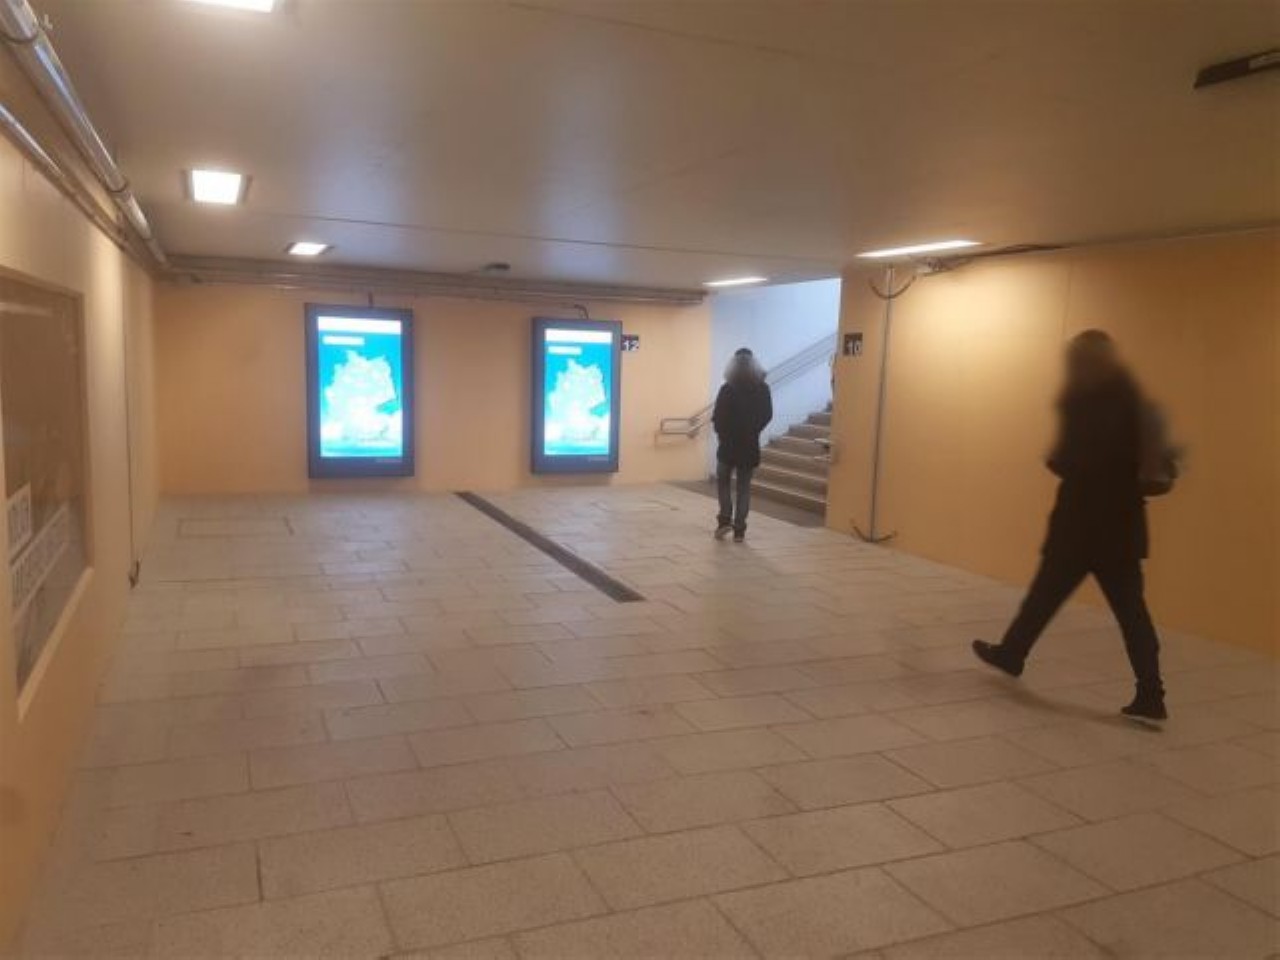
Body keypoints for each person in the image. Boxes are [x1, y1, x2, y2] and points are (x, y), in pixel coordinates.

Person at [972, 329, 1168, 722]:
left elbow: (1065, 461)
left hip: (1079, 526)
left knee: (1044, 597)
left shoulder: (1083, 402)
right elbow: (1151, 472)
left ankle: (1012, 654)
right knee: (1131, 614)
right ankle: (1151, 693)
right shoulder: (1134, 402)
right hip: (1121, 530)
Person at [712, 348, 772, 542]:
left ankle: (724, 521)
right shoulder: (762, 389)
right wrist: (753, 431)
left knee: (723, 483)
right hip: (749, 446)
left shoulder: (727, 388)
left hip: (727, 446)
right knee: (744, 488)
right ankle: (739, 530)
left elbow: (718, 417)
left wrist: (722, 435)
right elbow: (767, 415)